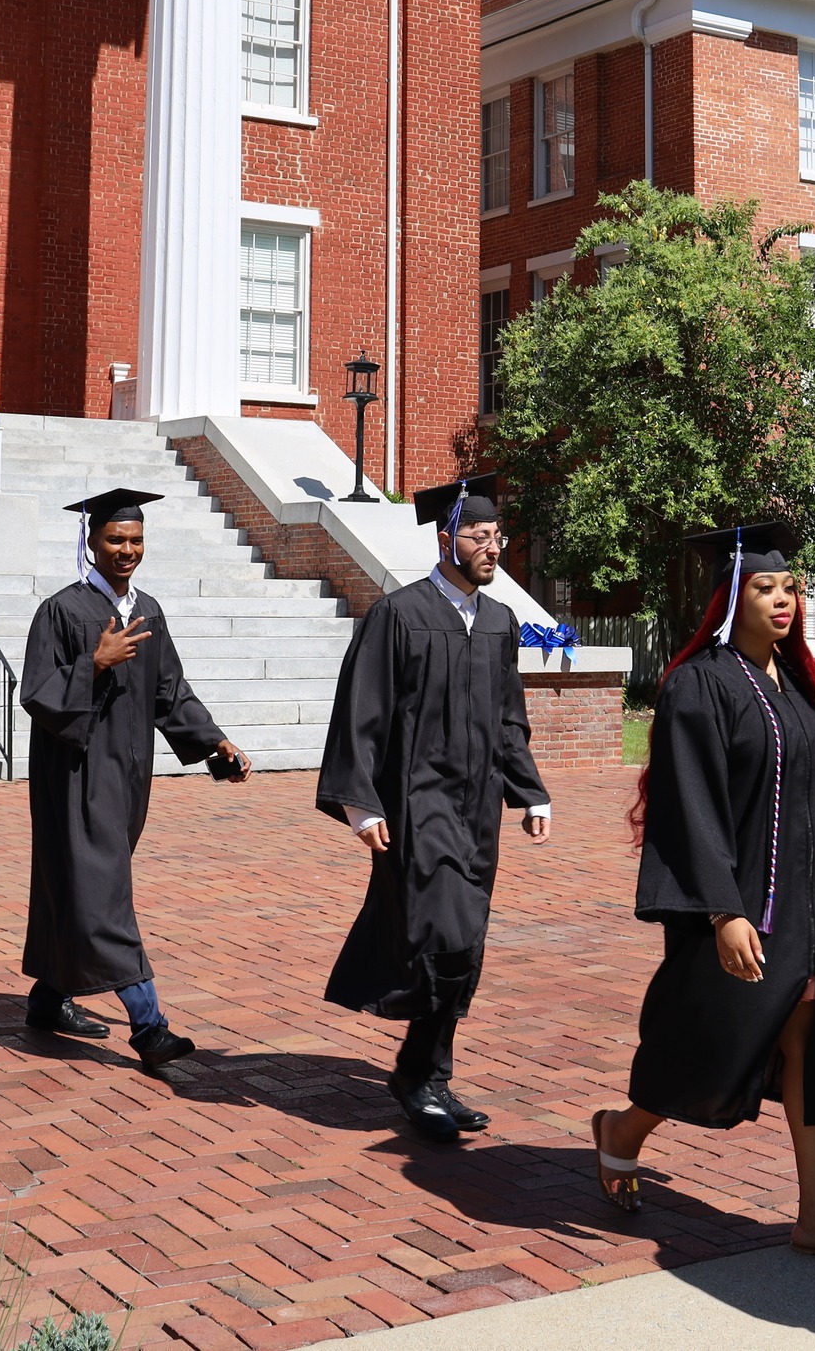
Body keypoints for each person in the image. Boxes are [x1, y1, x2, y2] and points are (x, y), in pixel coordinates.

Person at [588, 522, 815, 1273]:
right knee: (714, 1044)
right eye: (765, 586)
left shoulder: (799, 681)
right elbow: (689, 805)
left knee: (813, 1054)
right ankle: (624, 1129)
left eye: (790, 586)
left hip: (814, 909)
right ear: (731, 596)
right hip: (745, 906)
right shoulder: (700, 684)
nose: (783, 599)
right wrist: (723, 910)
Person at [316, 474, 551, 1143]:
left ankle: (432, 1073)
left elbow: (511, 719)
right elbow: (360, 712)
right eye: (478, 533)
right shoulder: (400, 614)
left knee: (466, 942)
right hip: (418, 807)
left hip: (479, 812)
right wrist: (360, 803)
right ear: (446, 537)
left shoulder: (500, 621)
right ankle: (416, 1074)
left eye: (496, 533)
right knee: (442, 934)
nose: (491, 545)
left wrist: (529, 788)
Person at [20, 487, 252, 1068]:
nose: (127, 550)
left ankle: (49, 997)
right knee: (103, 897)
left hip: (128, 777)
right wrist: (92, 664)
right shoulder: (63, 611)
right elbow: (37, 695)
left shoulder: (147, 610)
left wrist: (214, 740)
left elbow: (170, 691)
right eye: (115, 539)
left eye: (136, 540)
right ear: (91, 542)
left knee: (82, 889)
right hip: (75, 776)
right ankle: (149, 1026)